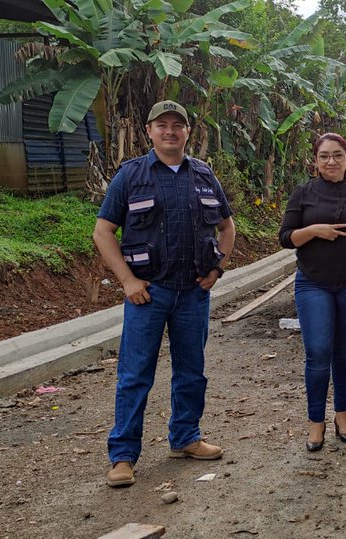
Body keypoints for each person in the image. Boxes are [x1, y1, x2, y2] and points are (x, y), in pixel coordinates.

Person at [93, 100, 237, 487]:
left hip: (193, 293)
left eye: (178, 125)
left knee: (191, 372)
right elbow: (103, 231)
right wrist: (127, 280)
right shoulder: (131, 176)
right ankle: (123, 456)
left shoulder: (204, 175)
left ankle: (186, 438)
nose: (170, 131)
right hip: (148, 295)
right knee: (135, 376)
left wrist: (218, 266)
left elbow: (227, 227)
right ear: (149, 131)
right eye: (162, 125)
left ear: (189, 131)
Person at [279, 133, 346, 452]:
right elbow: (285, 237)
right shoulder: (303, 194)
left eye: (337, 155)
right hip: (313, 283)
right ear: (315, 160)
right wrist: (314, 231)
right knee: (317, 352)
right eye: (324, 156)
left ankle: (342, 415)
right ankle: (316, 422)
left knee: (344, 351)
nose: (331, 162)